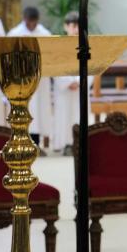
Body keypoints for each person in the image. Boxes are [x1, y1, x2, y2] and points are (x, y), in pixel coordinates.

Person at [7, 6, 53, 146]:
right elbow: (8, 55)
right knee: (24, 108)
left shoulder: (44, 33)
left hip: (39, 78)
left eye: (34, 22)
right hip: (21, 78)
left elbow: (51, 53)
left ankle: (37, 143)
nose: (32, 25)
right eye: (29, 23)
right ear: (24, 20)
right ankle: (22, 141)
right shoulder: (15, 33)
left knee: (38, 111)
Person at [51, 11, 82, 153]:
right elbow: (55, 66)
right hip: (64, 90)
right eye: (73, 26)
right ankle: (65, 144)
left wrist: (79, 81)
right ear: (66, 27)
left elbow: (92, 66)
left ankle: (79, 144)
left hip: (80, 89)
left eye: (79, 26)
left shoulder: (87, 44)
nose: (76, 30)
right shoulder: (59, 45)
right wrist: (68, 82)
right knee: (63, 116)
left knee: (79, 115)